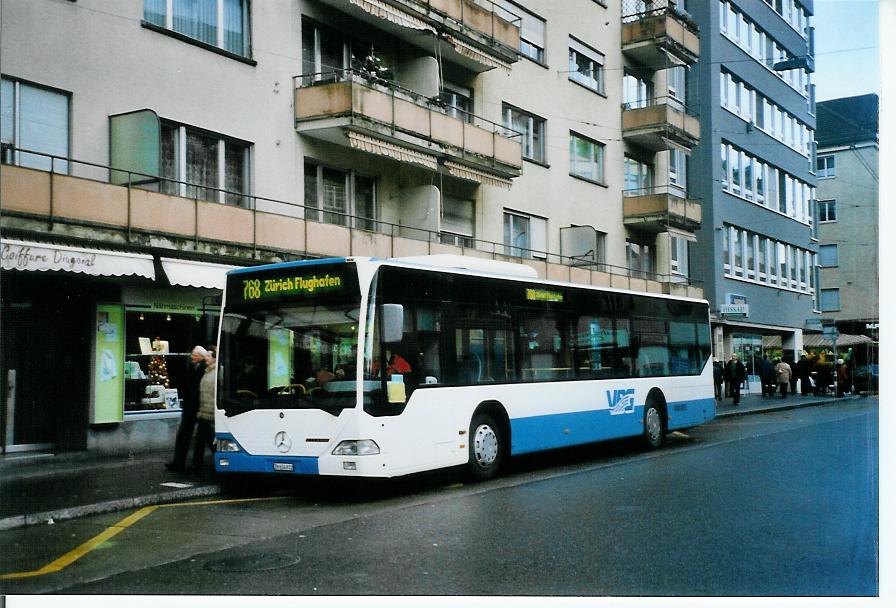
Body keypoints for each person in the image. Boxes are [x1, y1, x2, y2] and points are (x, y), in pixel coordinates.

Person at [166, 345, 208, 472]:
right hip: (190, 406)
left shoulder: (204, 369)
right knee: (184, 434)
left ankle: (197, 463)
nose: (192, 356)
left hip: (200, 407)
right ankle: (179, 462)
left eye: (194, 355)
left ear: (200, 357)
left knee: (204, 437)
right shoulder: (192, 367)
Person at [193, 348, 218, 470]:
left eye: (209, 356)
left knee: (208, 439)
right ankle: (197, 464)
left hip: (210, 413)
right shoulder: (207, 372)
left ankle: (198, 464)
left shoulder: (216, 373)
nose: (206, 358)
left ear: (214, 358)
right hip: (204, 411)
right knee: (202, 439)